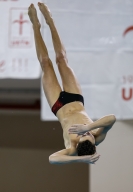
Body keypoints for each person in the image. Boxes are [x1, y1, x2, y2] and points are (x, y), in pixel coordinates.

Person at [28, 3, 116, 165]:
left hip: (58, 105)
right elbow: (112, 118)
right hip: (76, 98)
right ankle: (50, 21)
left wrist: (81, 159)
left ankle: (35, 25)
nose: (83, 134)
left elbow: (52, 159)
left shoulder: (72, 148)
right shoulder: (96, 135)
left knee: (46, 63)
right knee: (61, 59)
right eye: (86, 135)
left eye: (81, 137)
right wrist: (88, 128)